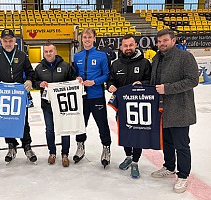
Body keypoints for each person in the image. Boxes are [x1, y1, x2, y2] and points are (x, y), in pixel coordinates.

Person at [150, 29, 198, 193]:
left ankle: (183, 175)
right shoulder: (157, 58)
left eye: (164, 40)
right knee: (167, 142)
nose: (161, 44)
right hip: (162, 109)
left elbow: (193, 80)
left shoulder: (185, 57)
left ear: (173, 40)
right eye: (159, 41)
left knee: (182, 145)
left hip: (180, 109)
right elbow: (154, 81)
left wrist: (167, 89)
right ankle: (169, 167)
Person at [0, 28, 37, 163]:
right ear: (1, 41)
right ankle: (11, 146)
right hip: (2, 94)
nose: (8, 43)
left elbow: (30, 71)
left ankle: (27, 146)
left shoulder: (22, 55)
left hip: (18, 94)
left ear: (15, 41)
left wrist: (29, 80)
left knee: (22, 121)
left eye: (10, 40)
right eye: (5, 41)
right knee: (6, 120)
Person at [107, 34, 152, 178]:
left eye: (130, 45)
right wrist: (111, 86)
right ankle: (128, 156)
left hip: (139, 107)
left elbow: (150, 80)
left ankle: (135, 162)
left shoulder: (145, 63)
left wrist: (143, 84)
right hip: (122, 105)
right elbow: (110, 80)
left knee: (137, 133)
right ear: (121, 47)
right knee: (125, 132)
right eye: (125, 46)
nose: (128, 48)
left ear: (136, 45)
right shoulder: (116, 64)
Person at [73, 28, 111, 168]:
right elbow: (74, 75)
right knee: (80, 125)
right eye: (85, 37)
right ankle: (80, 146)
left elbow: (107, 75)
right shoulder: (77, 56)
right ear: (81, 39)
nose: (87, 40)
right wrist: (76, 78)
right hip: (81, 97)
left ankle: (106, 148)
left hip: (97, 96)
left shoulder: (102, 56)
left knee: (102, 125)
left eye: (90, 37)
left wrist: (95, 82)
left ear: (94, 38)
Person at [34, 42, 76, 167]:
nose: (48, 53)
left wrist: (77, 80)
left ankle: (65, 155)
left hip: (63, 105)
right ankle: (52, 153)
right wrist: (39, 84)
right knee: (50, 130)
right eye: (46, 51)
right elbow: (34, 82)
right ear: (43, 53)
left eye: (50, 51)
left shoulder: (65, 66)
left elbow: (73, 80)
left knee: (65, 129)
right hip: (47, 105)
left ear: (55, 52)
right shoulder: (39, 68)